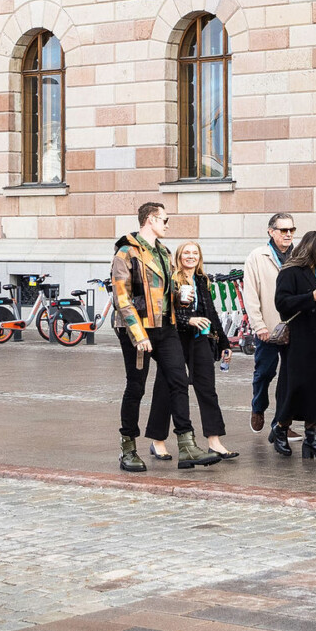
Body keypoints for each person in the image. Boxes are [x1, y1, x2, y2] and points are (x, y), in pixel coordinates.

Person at [112, 200, 223, 472]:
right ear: (150, 219)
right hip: (136, 330)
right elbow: (122, 298)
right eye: (164, 219)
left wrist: (180, 298)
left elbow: (165, 293)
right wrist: (138, 335)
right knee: (136, 387)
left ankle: (186, 444)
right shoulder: (126, 252)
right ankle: (128, 448)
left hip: (165, 326)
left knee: (178, 381)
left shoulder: (163, 251)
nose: (167, 225)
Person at [146, 241, 236, 460]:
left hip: (199, 339)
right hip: (173, 339)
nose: (191, 256)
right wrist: (189, 320)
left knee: (207, 388)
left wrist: (224, 344)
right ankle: (157, 441)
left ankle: (214, 441)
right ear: (179, 256)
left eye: (195, 253)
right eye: (186, 252)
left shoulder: (202, 279)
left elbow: (211, 312)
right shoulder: (171, 279)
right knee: (166, 388)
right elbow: (166, 312)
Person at [272, 229, 316, 459]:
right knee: (295, 387)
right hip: (300, 341)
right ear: (315, 248)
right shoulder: (290, 271)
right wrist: (310, 297)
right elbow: (282, 303)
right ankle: (280, 428)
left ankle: (312, 437)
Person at [243, 210, 297, 433]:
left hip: (294, 326)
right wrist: (259, 325)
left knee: (290, 377)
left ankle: (282, 423)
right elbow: (251, 294)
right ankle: (258, 407)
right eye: (283, 230)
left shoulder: (299, 255)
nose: (288, 234)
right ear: (271, 231)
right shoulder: (258, 256)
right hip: (268, 326)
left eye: (291, 229)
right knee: (265, 372)